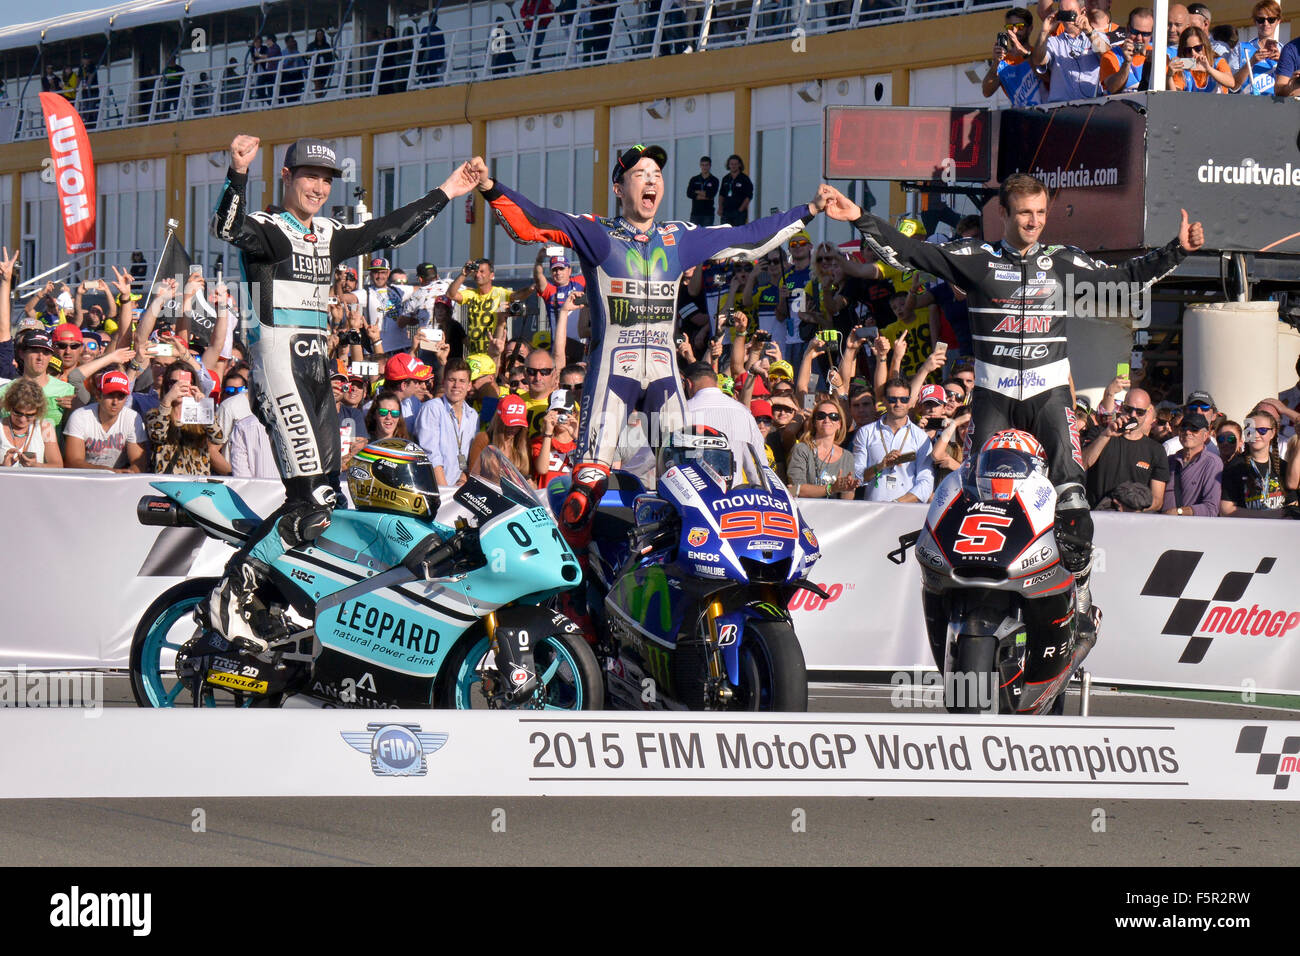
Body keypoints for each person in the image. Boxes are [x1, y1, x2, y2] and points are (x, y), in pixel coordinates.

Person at [825, 175, 1203, 615]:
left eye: (1041, 213)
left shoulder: (1062, 260)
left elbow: (1126, 276)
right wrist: (860, 217)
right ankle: (974, 596)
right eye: (1025, 212)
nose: (1034, 222)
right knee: (978, 494)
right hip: (993, 395)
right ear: (1002, 214)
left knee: (1072, 496)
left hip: (1049, 394)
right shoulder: (976, 258)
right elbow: (914, 254)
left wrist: (1178, 250)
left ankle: (1078, 590)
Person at [205, 134, 477, 647]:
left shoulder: (328, 234)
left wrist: (447, 191)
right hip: (278, 371)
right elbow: (226, 226)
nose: (318, 186)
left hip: (316, 373)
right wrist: (237, 170)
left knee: (328, 498)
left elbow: (387, 231)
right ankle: (232, 587)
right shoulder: (268, 229)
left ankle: (280, 601)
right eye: (308, 175)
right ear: (285, 177)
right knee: (310, 502)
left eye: (326, 179)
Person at [474, 145, 828, 538]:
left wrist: (807, 211)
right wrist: (490, 185)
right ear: (619, 188)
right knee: (587, 484)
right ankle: (575, 575)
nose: (652, 180)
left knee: (689, 480)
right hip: (612, 369)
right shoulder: (597, 232)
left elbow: (747, 238)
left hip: (663, 372)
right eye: (641, 173)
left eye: (657, 174)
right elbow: (534, 221)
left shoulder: (680, 238)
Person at [1083, 388, 1169, 511]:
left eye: (1139, 412)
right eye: (1129, 409)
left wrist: (1132, 509)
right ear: (1122, 408)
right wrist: (1106, 435)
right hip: (1098, 516)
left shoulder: (1156, 450)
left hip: (1133, 522)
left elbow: (1157, 500)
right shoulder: (1100, 433)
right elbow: (1082, 464)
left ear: (1147, 413)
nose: (1133, 415)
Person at [852, 376, 934, 503]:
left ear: (910, 401)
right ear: (884, 401)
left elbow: (926, 483)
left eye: (904, 399)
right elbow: (858, 476)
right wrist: (881, 465)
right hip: (872, 510)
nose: (898, 404)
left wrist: (896, 504)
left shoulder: (921, 437)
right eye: (892, 399)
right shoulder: (866, 432)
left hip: (907, 510)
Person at [145, 363, 229, 475]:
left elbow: (218, 438)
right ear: (167, 385)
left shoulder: (201, 415)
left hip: (197, 483)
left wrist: (204, 407)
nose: (179, 387)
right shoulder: (155, 414)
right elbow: (157, 436)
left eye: (185, 383)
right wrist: (167, 401)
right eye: (173, 383)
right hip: (167, 482)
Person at [62, 370, 147, 472]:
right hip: (86, 477)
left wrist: (130, 473)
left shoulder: (132, 417)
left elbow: (139, 462)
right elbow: (73, 462)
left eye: (121, 396)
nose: (115, 402)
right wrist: (109, 472)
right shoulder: (80, 416)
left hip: (121, 477)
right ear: (98, 395)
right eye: (110, 395)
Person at [413, 359, 478, 487]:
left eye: (462, 381)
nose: (456, 386)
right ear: (443, 382)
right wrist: (445, 492)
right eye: (452, 380)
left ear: (469, 385)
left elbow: (470, 458)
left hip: (458, 491)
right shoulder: (432, 409)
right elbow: (431, 455)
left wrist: (463, 480)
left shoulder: (473, 415)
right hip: (436, 490)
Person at [1031, 0, 1112, 101]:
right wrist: (1044, 32)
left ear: (1083, 12)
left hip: (1092, 105)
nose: (1067, 18)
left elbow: (1107, 56)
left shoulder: (1096, 36)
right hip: (1061, 108)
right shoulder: (1053, 41)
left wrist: (1089, 31)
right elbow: (1038, 61)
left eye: (1071, 13)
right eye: (1063, 14)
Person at [786, 395, 859, 499]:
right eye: (821, 416)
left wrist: (848, 488)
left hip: (833, 513)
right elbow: (795, 489)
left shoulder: (847, 457)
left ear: (839, 424)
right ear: (814, 422)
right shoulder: (801, 449)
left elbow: (846, 501)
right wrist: (831, 488)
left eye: (833, 416)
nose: (827, 420)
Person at [1220, 409, 1286, 517]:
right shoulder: (1234, 467)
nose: (1256, 434)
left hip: (1280, 531)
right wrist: (1268, 515)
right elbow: (1226, 509)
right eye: (1250, 430)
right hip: (1248, 531)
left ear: (1273, 433)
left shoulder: (1283, 466)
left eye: (1262, 430)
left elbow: (1293, 504)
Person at [1161, 411, 1222, 516]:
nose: (1188, 432)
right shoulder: (1168, 461)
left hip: (1192, 529)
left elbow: (1211, 508)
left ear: (1205, 436)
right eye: (1183, 428)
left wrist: (1180, 512)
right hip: (1163, 526)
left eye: (1194, 429)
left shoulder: (1212, 463)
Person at [982, 6, 1045, 105]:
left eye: (1020, 27)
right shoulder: (1003, 61)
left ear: (1030, 29)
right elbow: (986, 92)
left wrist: (1023, 52)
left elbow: (1047, 78)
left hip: (1046, 114)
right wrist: (996, 62)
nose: (1014, 31)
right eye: (1010, 27)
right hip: (1021, 117)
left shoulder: (1038, 53)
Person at [0, 379, 63, 468]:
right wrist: (3, 467)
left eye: (29, 415)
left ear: (38, 412)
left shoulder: (45, 427)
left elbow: (58, 466)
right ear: (10, 407)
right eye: (18, 413)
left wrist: (36, 465)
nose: (22, 419)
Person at [468, 393, 531, 476]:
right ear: (499, 420)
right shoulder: (483, 439)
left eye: (518, 424)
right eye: (509, 423)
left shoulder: (524, 443)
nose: (513, 428)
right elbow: (474, 477)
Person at [717, 155, 753, 227]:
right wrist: (720, 207)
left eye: (735, 164)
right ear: (729, 165)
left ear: (739, 165)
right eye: (731, 164)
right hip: (726, 212)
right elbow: (721, 194)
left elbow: (748, 196)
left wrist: (740, 210)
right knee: (725, 233)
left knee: (738, 234)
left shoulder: (745, 179)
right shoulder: (726, 178)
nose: (733, 166)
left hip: (739, 212)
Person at [686, 157, 720, 227]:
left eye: (706, 165)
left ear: (710, 166)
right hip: (695, 213)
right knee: (694, 234)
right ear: (700, 166)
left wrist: (697, 192)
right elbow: (689, 193)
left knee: (706, 235)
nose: (704, 167)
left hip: (708, 214)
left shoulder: (714, 180)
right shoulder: (694, 179)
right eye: (703, 165)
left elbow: (711, 195)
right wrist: (704, 195)